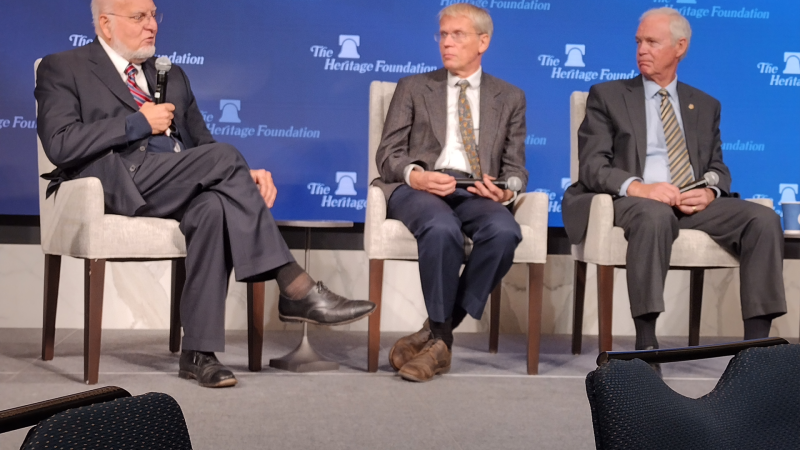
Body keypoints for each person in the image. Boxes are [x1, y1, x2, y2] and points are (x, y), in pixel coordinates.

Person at [35, 0, 375, 388]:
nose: (152, 26)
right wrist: (136, 123)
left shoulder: (172, 75)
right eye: (139, 17)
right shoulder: (64, 67)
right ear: (105, 24)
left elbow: (203, 146)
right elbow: (60, 144)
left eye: (153, 15)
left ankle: (198, 353)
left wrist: (243, 176)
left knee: (214, 207)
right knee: (227, 161)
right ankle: (293, 284)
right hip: (114, 184)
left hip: (177, 181)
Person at [562, 7, 786, 368]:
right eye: (639, 41)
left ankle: (756, 351)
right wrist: (639, 187)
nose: (642, 50)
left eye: (652, 42)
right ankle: (647, 344)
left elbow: (717, 167)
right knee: (654, 216)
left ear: (680, 47)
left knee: (763, 220)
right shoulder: (608, 95)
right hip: (634, 202)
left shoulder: (706, 104)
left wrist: (711, 191)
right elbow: (592, 166)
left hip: (690, 202)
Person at [374, 3, 527, 382]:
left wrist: (507, 192)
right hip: (421, 188)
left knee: (506, 231)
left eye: (457, 34)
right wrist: (417, 177)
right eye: (443, 34)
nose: (446, 42)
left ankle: (436, 334)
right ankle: (441, 343)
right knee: (441, 229)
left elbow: (517, 169)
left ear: (483, 42)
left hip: (475, 189)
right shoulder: (413, 87)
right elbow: (388, 154)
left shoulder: (509, 97)